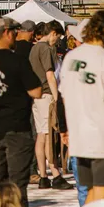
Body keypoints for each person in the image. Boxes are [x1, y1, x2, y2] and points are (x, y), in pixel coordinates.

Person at [0, 18, 44, 207]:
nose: (16, 35)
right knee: (17, 181)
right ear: (6, 33)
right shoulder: (16, 60)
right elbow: (36, 91)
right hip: (17, 128)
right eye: (14, 31)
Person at [59, 11, 104, 204]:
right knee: (103, 196)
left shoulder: (70, 58)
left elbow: (64, 96)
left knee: (89, 193)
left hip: (80, 138)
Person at [31, 22, 70, 190]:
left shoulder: (34, 48)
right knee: (48, 136)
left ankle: (43, 175)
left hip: (36, 95)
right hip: (47, 94)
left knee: (41, 135)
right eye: (58, 37)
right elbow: (50, 74)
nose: (58, 40)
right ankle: (55, 173)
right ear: (53, 33)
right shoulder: (46, 49)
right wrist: (57, 97)